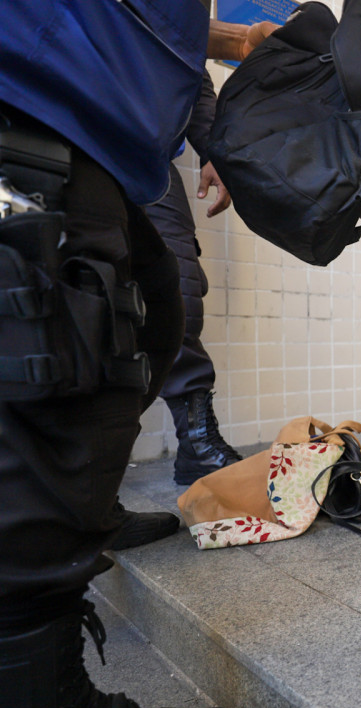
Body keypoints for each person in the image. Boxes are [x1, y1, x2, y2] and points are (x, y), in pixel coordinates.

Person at [0, 4, 361, 708]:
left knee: (156, 310)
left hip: (104, 114)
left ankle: (88, 509)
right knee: (62, 374)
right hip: (36, 87)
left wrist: (237, 49)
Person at [142, 72, 244, 486]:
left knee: (177, 289)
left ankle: (198, 444)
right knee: (84, 305)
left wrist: (213, 148)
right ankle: (90, 491)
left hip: (145, 156)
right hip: (64, 135)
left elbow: (188, 70)